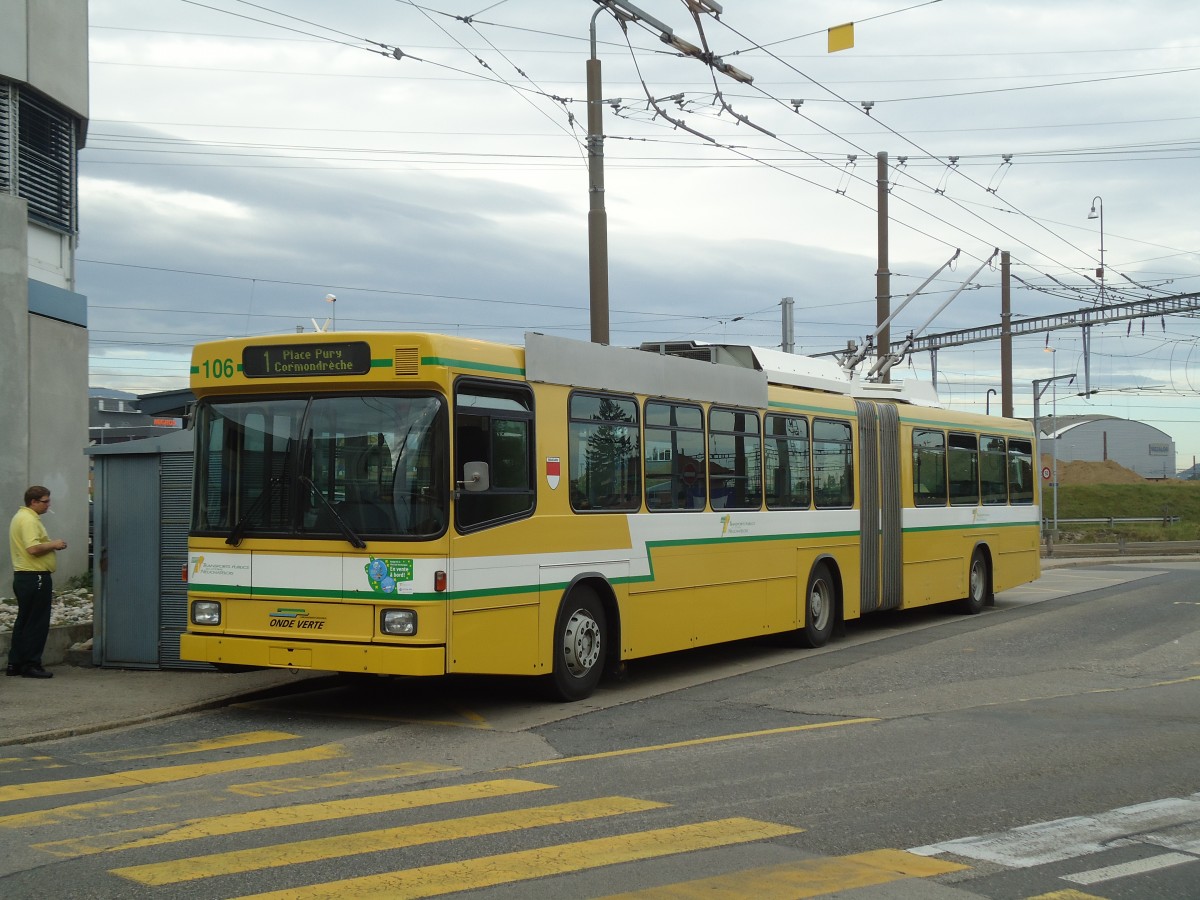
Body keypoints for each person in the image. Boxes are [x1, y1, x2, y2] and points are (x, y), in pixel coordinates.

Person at [7, 486, 67, 679]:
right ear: (33, 502)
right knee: (37, 622)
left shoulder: (20, 517)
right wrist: (55, 544)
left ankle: (15, 663)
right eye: (45, 501)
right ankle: (31, 664)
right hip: (36, 575)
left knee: (24, 620)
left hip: (24, 576)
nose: (48, 505)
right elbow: (33, 548)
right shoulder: (29, 519)